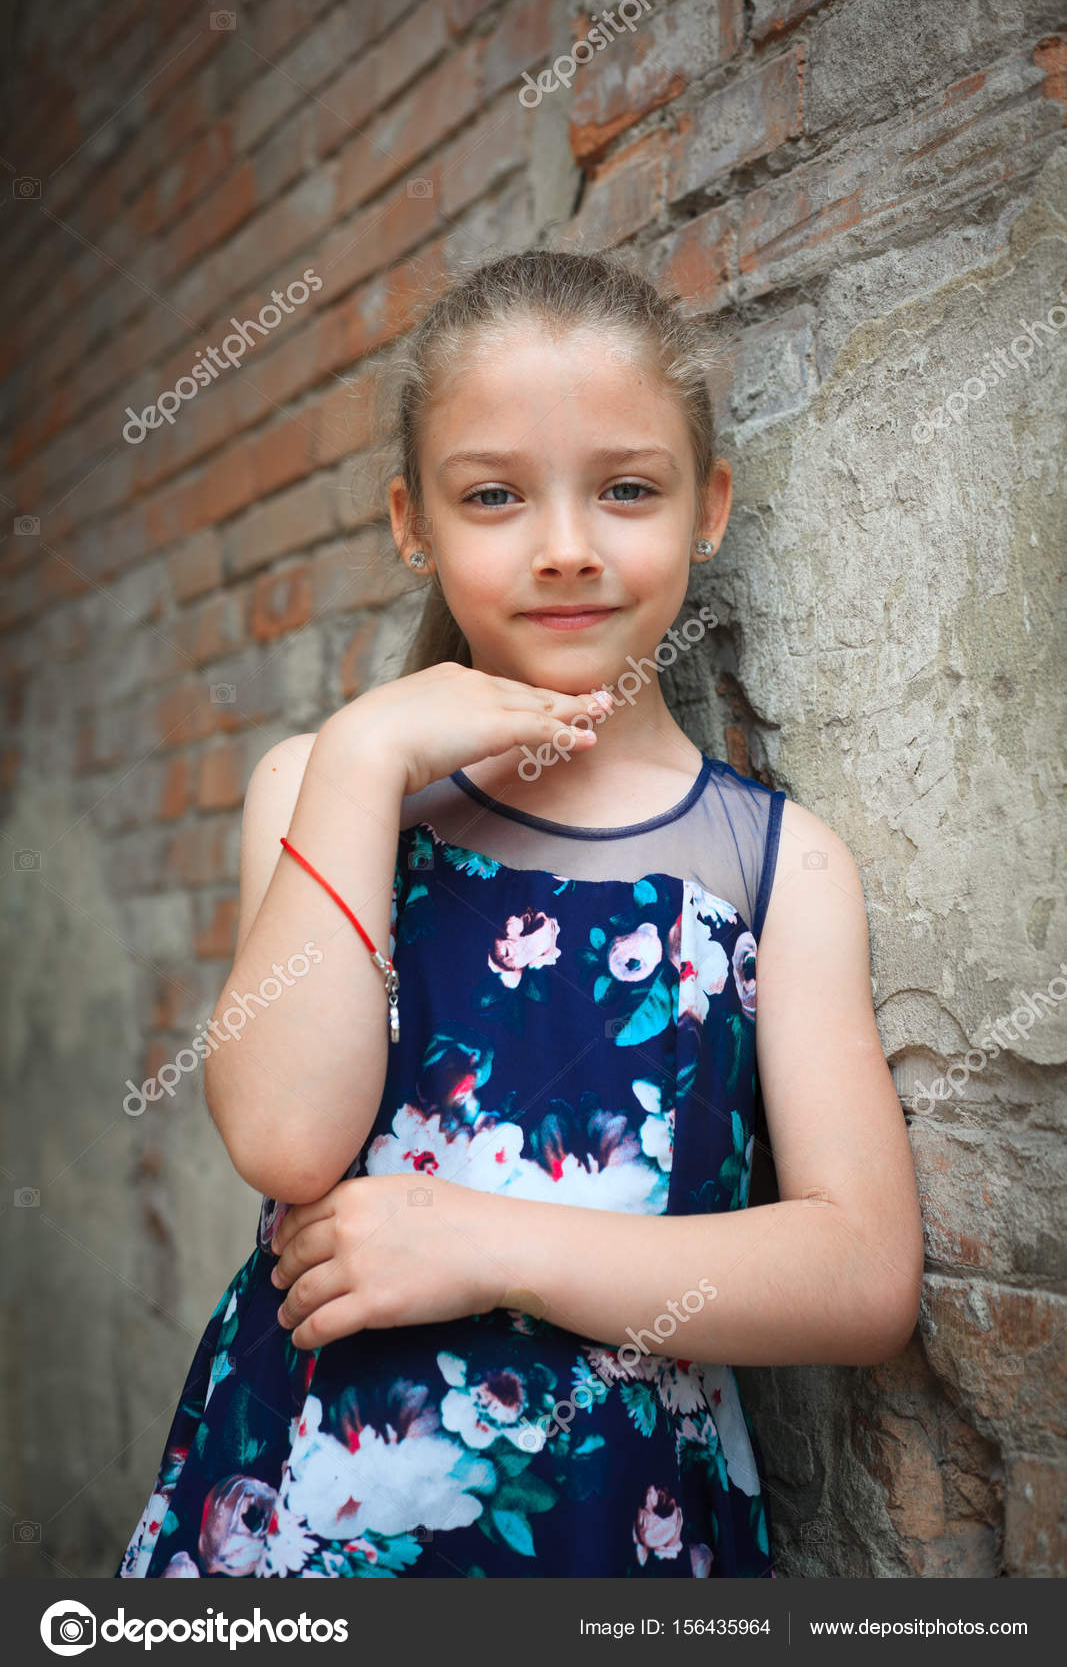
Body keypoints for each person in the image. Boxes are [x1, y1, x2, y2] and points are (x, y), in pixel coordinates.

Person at [115, 249, 923, 1580]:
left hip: (614, 1529)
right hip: (305, 1512)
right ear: (412, 523)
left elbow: (863, 1274)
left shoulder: (780, 867)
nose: (565, 548)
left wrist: (484, 1243)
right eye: (493, 495)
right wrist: (367, 750)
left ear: (709, 508)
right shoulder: (327, 793)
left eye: (628, 489)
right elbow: (283, 1136)